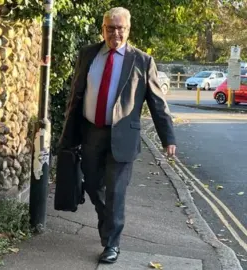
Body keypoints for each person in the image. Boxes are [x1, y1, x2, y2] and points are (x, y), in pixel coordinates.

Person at [58, 7, 177, 264]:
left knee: (116, 192)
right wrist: (68, 132)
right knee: (91, 185)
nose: (116, 33)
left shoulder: (142, 61)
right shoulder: (88, 54)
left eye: (121, 28)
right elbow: (75, 95)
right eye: (111, 28)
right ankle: (106, 221)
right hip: (91, 132)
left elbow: (158, 103)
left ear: (128, 29)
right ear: (103, 29)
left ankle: (112, 243)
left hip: (123, 136)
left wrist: (168, 138)